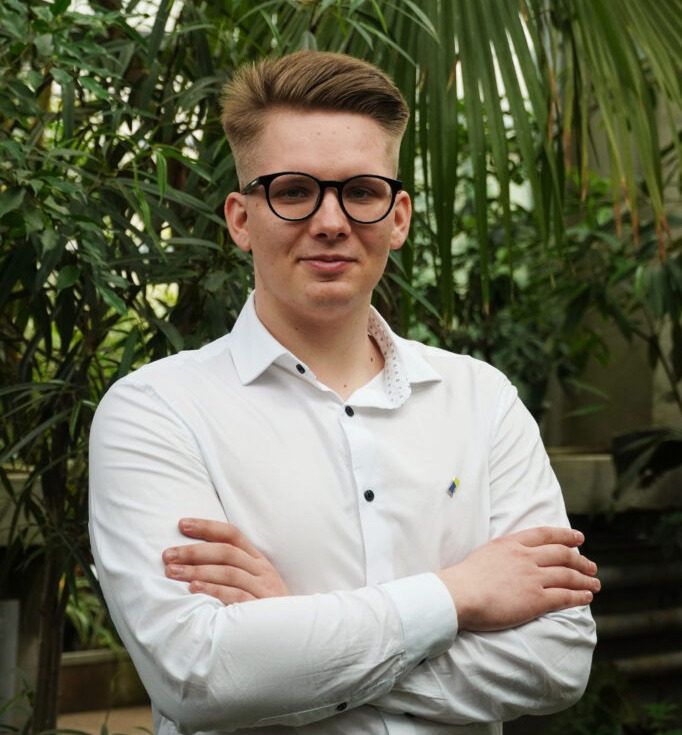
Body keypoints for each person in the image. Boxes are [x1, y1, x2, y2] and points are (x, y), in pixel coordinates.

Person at [89, 51, 599, 735]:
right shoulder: (155, 411)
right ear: (241, 218)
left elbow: (557, 658)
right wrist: (457, 594)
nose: (331, 221)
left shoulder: (483, 400)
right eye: (293, 190)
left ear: (399, 216)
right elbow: (200, 673)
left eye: (360, 190)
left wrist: (294, 630)